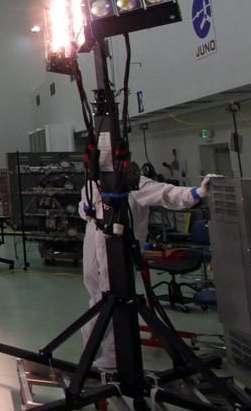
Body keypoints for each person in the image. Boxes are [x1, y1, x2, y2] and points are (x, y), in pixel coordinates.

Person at [79, 136, 217, 369]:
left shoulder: (133, 184)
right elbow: (85, 210)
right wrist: (86, 209)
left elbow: (166, 194)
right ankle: (92, 354)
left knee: (114, 298)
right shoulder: (92, 185)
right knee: (95, 296)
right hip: (94, 243)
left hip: (119, 248)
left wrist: (196, 193)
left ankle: (112, 356)